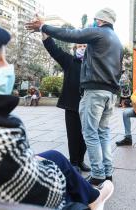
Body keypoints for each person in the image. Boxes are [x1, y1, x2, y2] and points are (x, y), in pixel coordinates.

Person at [0, 9, 113, 210]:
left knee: (83, 137)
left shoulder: (90, 64)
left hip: (86, 102)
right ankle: (81, 174)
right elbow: (43, 190)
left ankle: (88, 182)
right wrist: (45, 32)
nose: (9, 69)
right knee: (73, 137)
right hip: (70, 104)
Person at [26, 8, 123, 186]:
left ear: (100, 20)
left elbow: (72, 34)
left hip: (94, 93)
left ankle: (98, 174)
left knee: (90, 133)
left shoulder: (99, 32)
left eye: (95, 20)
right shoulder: (116, 41)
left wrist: (44, 26)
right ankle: (107, 172)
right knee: (102, 133)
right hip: (109, 93)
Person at [41, 32, 90, 173]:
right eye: (79, 46)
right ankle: (73, 162)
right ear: (75, 48)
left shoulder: (93, 63)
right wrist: (45, 36)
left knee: (86, 135)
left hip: (88, 104)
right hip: (72, 104)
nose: (82, 48)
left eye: (84, 46)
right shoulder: (69, 61)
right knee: (73, 135)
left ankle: (80, 160)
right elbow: (54, 51)